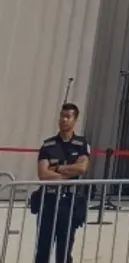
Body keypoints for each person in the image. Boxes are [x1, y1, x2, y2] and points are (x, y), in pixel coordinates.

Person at [33, 104, 90, 263]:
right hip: (49, 202)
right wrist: (67, 175)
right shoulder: (48, 145)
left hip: (69, 203)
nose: (64, 120)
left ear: (75, 120)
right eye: (62, 116)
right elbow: (43, 174)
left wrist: (57, 168)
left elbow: (82, 168)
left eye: (68, 117)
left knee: (64, 251)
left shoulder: (81, 144)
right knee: (43, 250)